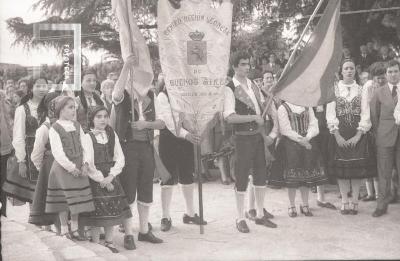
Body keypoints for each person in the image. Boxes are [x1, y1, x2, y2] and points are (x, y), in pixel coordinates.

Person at [112, 55, 164, 250]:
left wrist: (146, 124)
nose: (141, 83)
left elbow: (162, 123)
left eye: (145, 80)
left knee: (146, 189)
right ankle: (128, 233)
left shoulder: (151, 98)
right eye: (138, 79)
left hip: (146, 148)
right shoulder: (122, 97)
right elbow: (116, 91)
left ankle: (143, 230)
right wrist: (126, 66)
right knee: (128, 190)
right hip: (127, 148)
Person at [223, 51, 277, 233]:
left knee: (261, 175)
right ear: (235, 66)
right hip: (242, 139)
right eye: (243, 64)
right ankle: (240, 217)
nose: (247, 67)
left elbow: (262, 106)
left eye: (248, 64)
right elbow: (230, 117)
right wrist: (253, 117)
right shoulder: (229, 88)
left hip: (257, 138)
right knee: (241, 177)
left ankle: (260, 214)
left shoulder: (253, 84)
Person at [156, 78, 208, 232]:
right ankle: (165, 216)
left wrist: (195, 128)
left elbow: (191, 116)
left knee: (187, 175)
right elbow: (169, 122)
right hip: (169, 140)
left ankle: (190, 213)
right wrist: (187, 134)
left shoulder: (186, 95)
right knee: (168, 178)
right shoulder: (162, 97)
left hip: (185, 140)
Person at [79, 106, 132, 253]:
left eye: (105, 116)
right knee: (96, 213)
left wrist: (111, 176)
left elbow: (120, 157)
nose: (103, 119)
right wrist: (101, 179)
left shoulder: (111, 133)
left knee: (112, 210)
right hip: (95, 178)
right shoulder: (88, 136)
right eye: (99, 117)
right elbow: (88, 161)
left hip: (110, 175)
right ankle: (96, 242)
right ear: (92, 119)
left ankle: (109, 241)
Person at [327, 59, 376, 215]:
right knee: (342, 171)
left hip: (357, 134)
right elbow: (330, 114)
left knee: (356, 170)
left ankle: (354, 201)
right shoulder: (334, 89)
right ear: (341, 71)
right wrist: (337, 135)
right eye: (346, 68)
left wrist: (359, 134)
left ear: (355, 71)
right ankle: (344, 202)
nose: (349, 71)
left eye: (351, 68)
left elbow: (365, 113)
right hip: (339, 134)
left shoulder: (361, 90)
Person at [45, 95, 95, 240]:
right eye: (70, 107)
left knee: (76, 199)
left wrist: (86, 164)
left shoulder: (77, 125)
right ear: (61, 109)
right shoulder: (55, 128)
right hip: (63, 168)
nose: (74, 110)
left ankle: (75, 228)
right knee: (64, 200)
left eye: (75, 107)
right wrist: (71, 167)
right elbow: (57, 152)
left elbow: (85, 145)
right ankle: (64, 228)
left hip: (79, 167)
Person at [278, 101, 328, 217]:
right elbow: (285, 129)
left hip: (308, 141)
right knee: (292, 177)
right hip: (291, 145)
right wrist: (301, 140)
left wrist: (308, 137)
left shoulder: (307, 106)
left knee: (306, 175)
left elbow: (314, 124)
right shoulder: (283, 108)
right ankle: (291, 205)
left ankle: (305, 204)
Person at [2, 77, 48, 204]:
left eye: (44, 86)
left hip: (48, 153)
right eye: (38, 86)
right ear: (31, 88)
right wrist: (21, 161)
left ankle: (47, 223)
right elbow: (18, 136)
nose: (41, 89)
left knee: (48, 192)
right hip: (29, 154)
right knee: (32, 194)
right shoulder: (22, 109)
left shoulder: (49, 107)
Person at [371, 59, 400, 217]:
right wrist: (380, 133)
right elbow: (374, 116)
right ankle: (381, 205)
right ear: (386, 74)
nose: (393, 74)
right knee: (384, 173)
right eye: (390, 72)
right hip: (385, 137)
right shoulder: (379, 92)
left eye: (396, 71)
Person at [29, 92, 60, 231]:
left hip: (64, 170)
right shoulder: (44, 129)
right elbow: (36, 155)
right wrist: (43, 170)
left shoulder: (67, 125)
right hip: (49, 170)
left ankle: (62, 229)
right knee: (49, 199)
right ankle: (50, 228)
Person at [362, 62, 386, 202]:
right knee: (370, 160)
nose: (380, 80)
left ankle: (381, 193)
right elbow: (366, 107)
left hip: (384, 128)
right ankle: (371, 193)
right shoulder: (369, 87)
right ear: (373, 78)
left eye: (382, 77)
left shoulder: (388, 87)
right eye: (378, 78)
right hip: (371, 128)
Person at [0, 90, 14, 216]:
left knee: (3, 182)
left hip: (3, 148)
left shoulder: (2, 97)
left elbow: (8, 120)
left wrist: (11, 140)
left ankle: (2, 212)